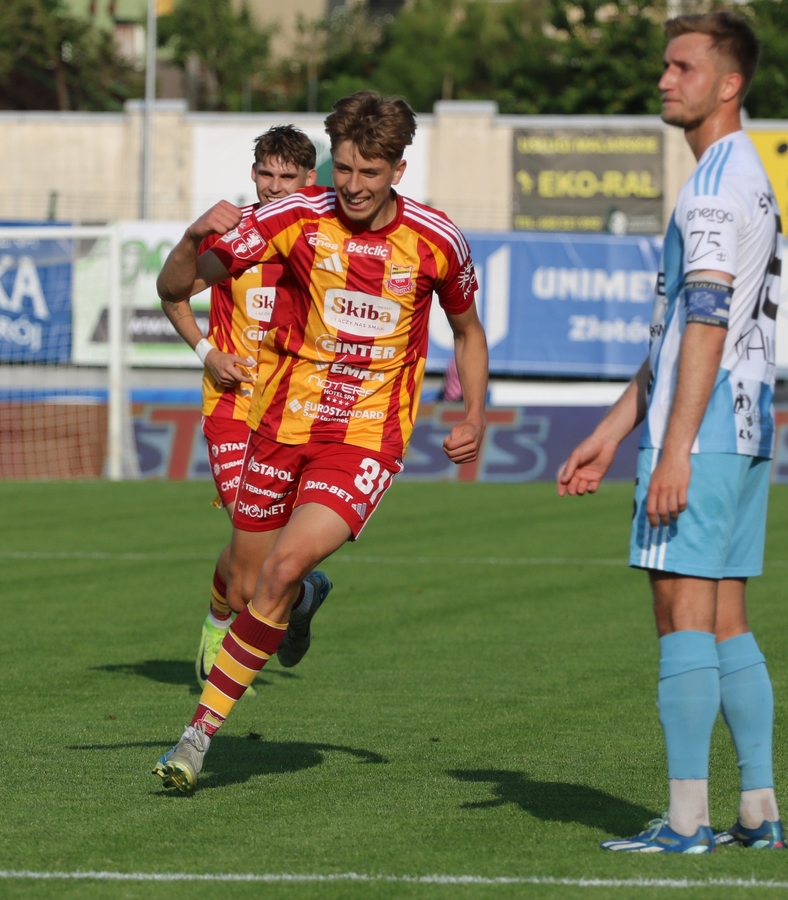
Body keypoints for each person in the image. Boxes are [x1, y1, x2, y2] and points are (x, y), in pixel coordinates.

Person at [152, 90, 489, 794]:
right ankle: (303, 602)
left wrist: (474, 414)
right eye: (345, 169)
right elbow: (178, 285)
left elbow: (467, 331)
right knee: (251, 584)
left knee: (278, 572)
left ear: (398, 169)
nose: (354, 186)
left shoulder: (438, 240)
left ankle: (196, 736)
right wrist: (190, 240)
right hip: (278, 427)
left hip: (364, 438)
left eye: (371, 172)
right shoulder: (293, 217)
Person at [556, 12, 787, 853]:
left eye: (683, 66)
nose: (664, 78)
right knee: (726, 619)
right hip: (745, 422)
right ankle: (758, 810)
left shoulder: (715, 183)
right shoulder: (745, 172)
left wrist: (674, 448)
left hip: (706, 425)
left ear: (729, 84)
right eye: (665, 64)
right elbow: (682, 330)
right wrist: (616, 427)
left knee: (681, 615)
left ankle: (686, 821)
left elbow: (707, 319)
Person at [157, 126, 320, 691]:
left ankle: (297, 597)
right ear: (253, 174)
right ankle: (225, 617)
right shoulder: (233, 235)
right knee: (251, 549)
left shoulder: (326, 241)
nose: (275, 186)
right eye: (265, 174)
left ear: (310, 180)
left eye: (288, 176)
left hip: (296, 410)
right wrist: (207, 353)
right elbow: (172, 293)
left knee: (267, 557)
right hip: (232, 407)